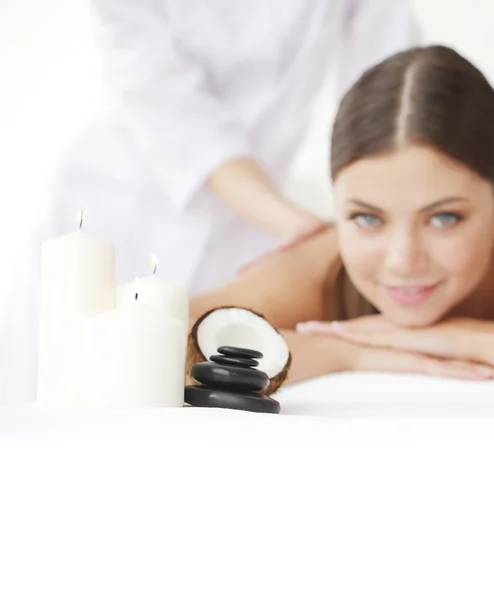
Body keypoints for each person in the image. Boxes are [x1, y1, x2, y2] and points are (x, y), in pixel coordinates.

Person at [0, 0, 420, 403]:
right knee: (60, 394)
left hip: (252, 231)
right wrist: (309, 227)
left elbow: (388, 87)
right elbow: (169, 105)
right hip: (117, 208)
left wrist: (387, 216)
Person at [188, 45, 494, 385]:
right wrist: (344, 351)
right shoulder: (319, 267)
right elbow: (156, 349)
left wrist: (462, 337)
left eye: (444, 219)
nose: (402, 259)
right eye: (367, 219)